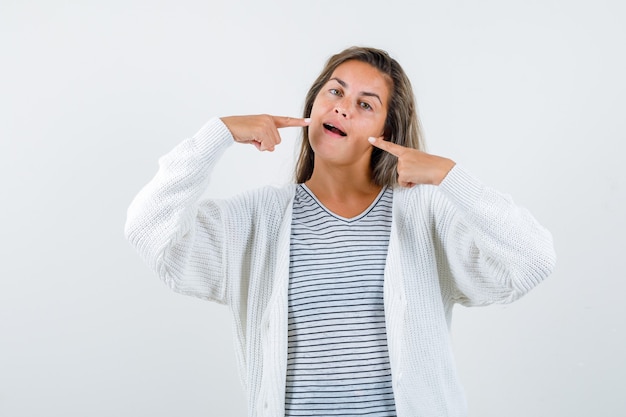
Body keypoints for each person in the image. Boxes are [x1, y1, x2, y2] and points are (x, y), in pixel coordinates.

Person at [125, 46, 556, 417]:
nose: (342, 107)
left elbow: (531, 260)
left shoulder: (423, 216)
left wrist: (450, 177)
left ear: (386, 132)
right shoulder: (257, 220)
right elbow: (149, 231)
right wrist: (216, 135)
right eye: (335, 90)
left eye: (365, 104)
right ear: (313, 105)